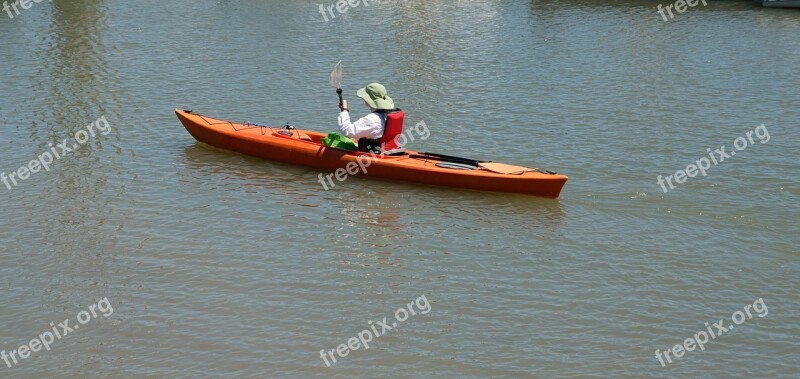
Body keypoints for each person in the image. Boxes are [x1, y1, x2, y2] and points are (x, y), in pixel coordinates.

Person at [338, 83, 395, 152]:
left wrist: (344, 110)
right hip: (386, 150)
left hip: (371, 155)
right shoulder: (389, 115)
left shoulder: (372, 119)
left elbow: (347, 130)